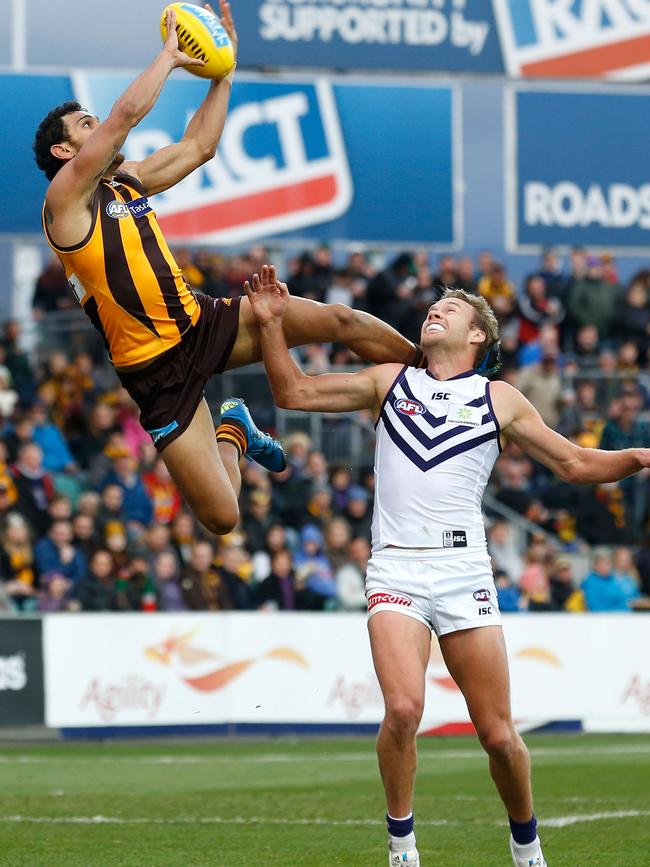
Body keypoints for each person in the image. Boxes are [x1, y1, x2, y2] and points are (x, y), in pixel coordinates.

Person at [245, 265, 650, 867]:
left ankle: (526, 845)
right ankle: (402, 846)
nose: (434, 311)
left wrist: (641, 455)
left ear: (478, 336)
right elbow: (294, 393)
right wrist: (272, 324)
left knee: (498, 736)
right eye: (433, 307)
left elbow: (575, 465)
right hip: (396, 569)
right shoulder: (389, 381)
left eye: (450, 309)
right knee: (405, 709)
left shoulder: (499, 398)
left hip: (465, 573)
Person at [32, 3, 421, 539]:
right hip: (154, 372)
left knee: (340, 320)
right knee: (223, 517)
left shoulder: (125, 183)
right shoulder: (64, 202)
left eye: (93, 120)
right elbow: (122, 120)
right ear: (63, 148)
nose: (97, 128)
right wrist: (169, 58)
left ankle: (435, 377)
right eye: (84, 126)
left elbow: (201, 146)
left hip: (204, 323)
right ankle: (234, 426)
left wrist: (224, 72)